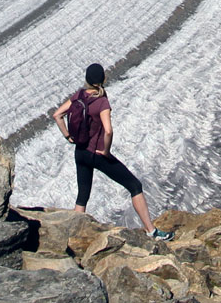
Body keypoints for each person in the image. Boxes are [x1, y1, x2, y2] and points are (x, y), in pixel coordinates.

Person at [52, 63, 172, 240]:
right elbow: (108, 130)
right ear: (103, 79)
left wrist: (68, 136)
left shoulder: (78, 96)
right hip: (97, 154)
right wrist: (106, 152)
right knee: (134, 186)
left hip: (80, 153)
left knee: (82, 195)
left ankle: (72, 237)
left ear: (87, 79)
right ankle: (151, 231)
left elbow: (57, 115)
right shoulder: (101, 102)